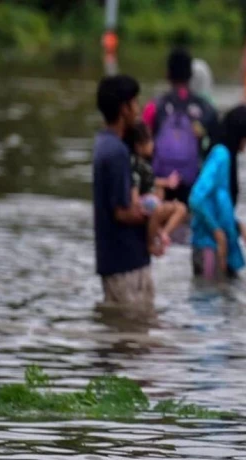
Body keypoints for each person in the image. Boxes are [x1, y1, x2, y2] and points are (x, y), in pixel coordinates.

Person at [93, 74, 157, 307]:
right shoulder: (117, 152)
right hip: (126, 261)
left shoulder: (103, 143)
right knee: (134, 331)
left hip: (115, 259)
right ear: (124, 108)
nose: (138, 109)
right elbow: (122, 212)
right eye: (135, 103)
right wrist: (155, 214)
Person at [188, 105, 246, 280]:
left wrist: (238, 226)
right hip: (208, 246)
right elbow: (196, 198)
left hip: (218, 246)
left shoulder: (226, 156)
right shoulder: (221, 155)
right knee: (209, 300)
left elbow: (217, 202)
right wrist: (217, 232)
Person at [142, 48, 220, 204]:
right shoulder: (207, 109)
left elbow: (141, 143)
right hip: (193, 184)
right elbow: (215, 150)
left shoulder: (154, 106)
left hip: (161, 184)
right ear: (191, 75)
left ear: (167, 74)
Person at [124, 122, 187, 254]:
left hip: (150, 201)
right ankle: (151, 242)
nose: (153, 144)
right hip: (144, 202)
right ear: (139, 146)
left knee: (181, 209)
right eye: (149, 141)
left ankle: (163, 233)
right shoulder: (134, 163)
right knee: (160, 206)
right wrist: (136, 203)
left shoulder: (144, 164)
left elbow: (152, 181)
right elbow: (134, 183)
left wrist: (168, 182)